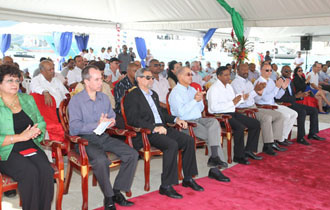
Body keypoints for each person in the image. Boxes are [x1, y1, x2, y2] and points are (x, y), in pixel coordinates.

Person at [124, 68, 204, 199]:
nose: (151, 80)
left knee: (188, 140)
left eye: (152, 78)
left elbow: (161, 115)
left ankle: (188, 178)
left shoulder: (153, 94)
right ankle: (166, 185)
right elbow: (133, 120)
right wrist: (154, 128)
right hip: (147, 132)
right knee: (171, 145)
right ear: (139, 79)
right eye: (148, 77)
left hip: (162, 128)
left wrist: (176, 119)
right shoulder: (132, 96)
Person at [69, 65, 138, 210]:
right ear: (87, 82)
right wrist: (96, 124)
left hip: (103, 136)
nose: (101, 82)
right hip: (84, 140)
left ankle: (117, 191)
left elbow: (111, 116)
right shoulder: (76, 101)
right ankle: (108, 197)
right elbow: (74, 128)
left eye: (101, 79)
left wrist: (111, 121)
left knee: (132, 154)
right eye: (97, 79)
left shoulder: (104, 98)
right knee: (101, 160)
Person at [0, 64, 54, 210]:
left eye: (17, 80)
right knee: (29, 173)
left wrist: (37, 131)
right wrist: (20, 137)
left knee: (46, 171)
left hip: (30, 145)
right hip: (6, 150)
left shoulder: (26, 99)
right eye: (10, 80)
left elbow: (40, 121)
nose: (15, 84)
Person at [169, 66, 230, 181]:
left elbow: (201, 108)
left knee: (214, 122)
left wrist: (199, 100)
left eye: (191, 74)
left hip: (198, 119)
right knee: (213, 136)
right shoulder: (175, 93)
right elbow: (180, 113)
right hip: (186, 123)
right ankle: (215, 168)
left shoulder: (192, 89)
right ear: (180, 76)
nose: (191, 76)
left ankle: (215, 158)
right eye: (188, 74)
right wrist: (194, 101)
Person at [207, 66, 262, 165]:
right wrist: (232, 103)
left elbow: (234, 102)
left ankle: (249, 150)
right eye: (225, 75)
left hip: (232, 112)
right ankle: (238, 156)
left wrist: (241, 99)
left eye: (229, 75)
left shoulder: (229, 86)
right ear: (219, 76)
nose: (228, 77)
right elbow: (213, 108)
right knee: (239, 127)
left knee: (255, 123)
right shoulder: (214, 89)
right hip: (220, 116)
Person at [231, 64, 286, 155]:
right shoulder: (235, 83)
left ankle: (273, 141)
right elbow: (242, 100)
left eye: (246, 70)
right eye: (243, 70)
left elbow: (255, 97)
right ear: (237, 71)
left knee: (279, 115)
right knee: (266, 117)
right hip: (244, 110)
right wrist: (256, 91)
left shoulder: (248, 82)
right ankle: (267, 145)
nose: (245, 72)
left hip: (254, 107)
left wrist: (259, 92)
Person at [275, 66, 325, 145]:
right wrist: (295, 97)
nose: (288, 73)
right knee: (302, 112)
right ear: (281, 72)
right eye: (286, 71)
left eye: (289, 71)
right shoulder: (279, 81)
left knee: (314, 110)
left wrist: (301, 95)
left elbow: (293, 95)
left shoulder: (289, 81)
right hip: (285, 104)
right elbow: (278, 98)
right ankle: (300, 137)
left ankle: (312, 133)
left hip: (293, 102)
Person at [254, 63, 299, 145]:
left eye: (271, 70)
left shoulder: (270, 81)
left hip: (273, 104)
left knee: (294, 114)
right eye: (267, 70)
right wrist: (277, 87)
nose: (269, 72)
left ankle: (282, 138)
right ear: (261, 71)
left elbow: (277, 96)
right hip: (264, 106)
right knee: (286, 116)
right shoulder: (259, 82)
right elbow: (266, 98)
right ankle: (276, 140)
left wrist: (282, 89)